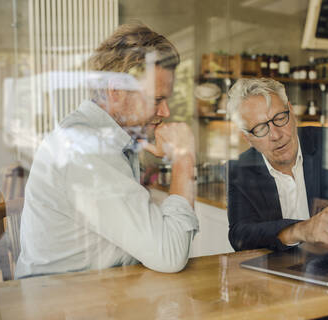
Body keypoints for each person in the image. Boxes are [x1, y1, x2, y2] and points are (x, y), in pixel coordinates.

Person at [15, 24, 198, 278]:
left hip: (97, 294)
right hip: (60, 304)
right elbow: (170, 255)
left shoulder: (105, 139)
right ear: (116, 90)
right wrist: (184, 158)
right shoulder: (85, 148)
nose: (166, 112)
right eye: (156, 99)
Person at [227, 78, 328, 251]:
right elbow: (240, 235)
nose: (276, 135)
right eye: (260, 129)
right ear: (248, 138)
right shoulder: (239, 169)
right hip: (276, 269)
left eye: (280, 118)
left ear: (292, 112)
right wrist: (299, 230)